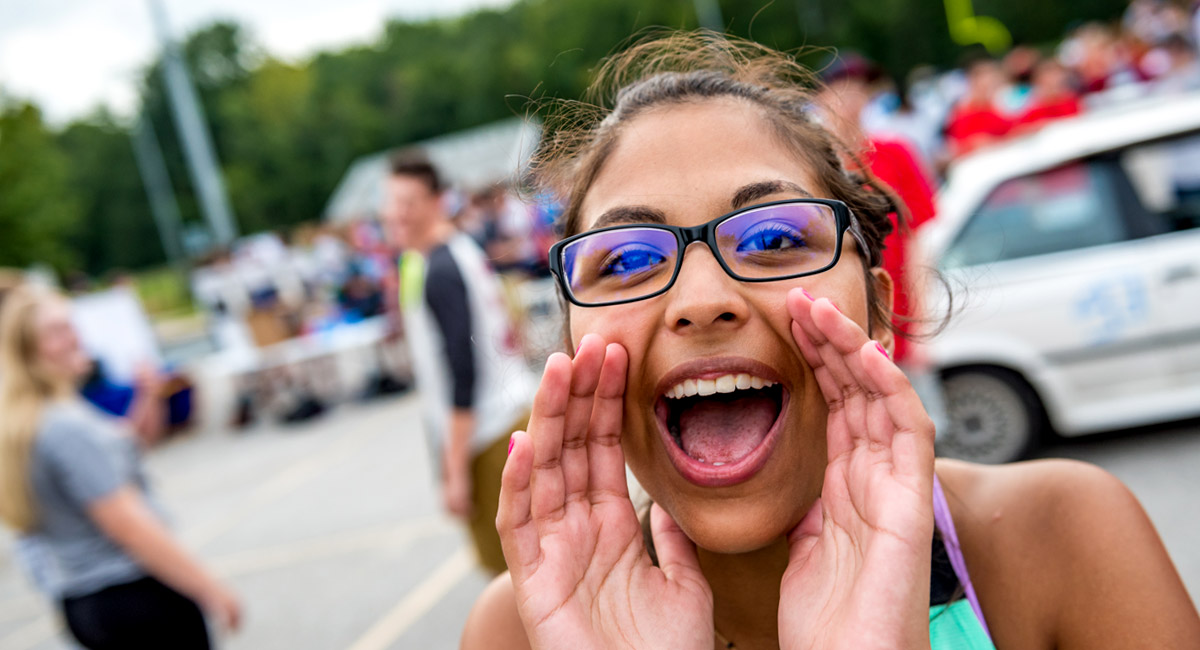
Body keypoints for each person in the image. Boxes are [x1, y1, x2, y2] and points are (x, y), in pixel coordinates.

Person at [462, 31, 1200, 649]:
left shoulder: (1060, 538)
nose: (702, 301)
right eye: (626, 259)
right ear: (567, 344)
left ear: (878, 312)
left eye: (776, 236)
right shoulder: (518, 627)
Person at [0, 285, 241, 649]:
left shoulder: (29, 421)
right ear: (27, 349)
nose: (74, 337)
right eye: (57, 331)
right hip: (133, 596)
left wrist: (147, 396)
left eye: (71, 325)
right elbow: (128, 526)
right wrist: (209, 588)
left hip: (83, 600)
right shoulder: (66, 427)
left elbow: (120, 450)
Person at [379, 155, 537, 575]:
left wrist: (453, 470)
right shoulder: (454, 251)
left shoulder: (441, 270)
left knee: (514, 579)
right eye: (391, 202)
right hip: (508, 413)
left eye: (407, 202)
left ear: (436, 202)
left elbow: (462, 373)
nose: (395, 213)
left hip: (488, 431)